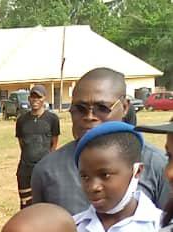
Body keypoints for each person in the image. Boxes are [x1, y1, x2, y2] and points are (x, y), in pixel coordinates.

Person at [32, 68, 169, 214]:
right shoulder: (47, 171)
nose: (89, 116)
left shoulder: (159, 166)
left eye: (102, 108)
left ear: (124, 107)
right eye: (80, 108)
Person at [15, 84, 60, 209]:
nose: (35, 100)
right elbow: (22, 143)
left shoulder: (52, 119)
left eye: (38, 97)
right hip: (25, 169)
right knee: (26, 205)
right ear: (29, 99)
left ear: (44, 98)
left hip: (45, 168)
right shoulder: (21, 120)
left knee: (46, 204)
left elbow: (54, 143)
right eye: (32, 97)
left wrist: (47, 162)